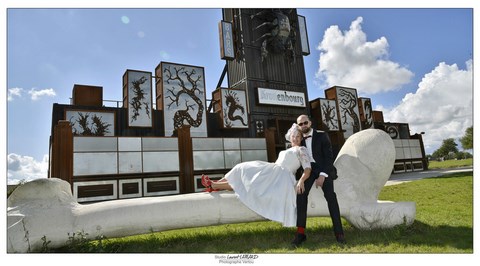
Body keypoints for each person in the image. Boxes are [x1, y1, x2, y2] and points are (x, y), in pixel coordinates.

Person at [201, 123, 312, 227]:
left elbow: (307, 168)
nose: (295, 139)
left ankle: (213, 185)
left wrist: (301, 180)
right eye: (294, 136)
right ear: (290, 136)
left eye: (298, 137)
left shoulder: (301, 150)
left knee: (246, 182)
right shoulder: (287, 149)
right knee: (241, 168)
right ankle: (214, 184)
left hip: (281, 177)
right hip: (272, 170)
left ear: (301, 138)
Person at [291, 114, 346, 246]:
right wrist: (301, 179)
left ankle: (339, 233)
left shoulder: (322, 135)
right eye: (300, 124)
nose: (303, 125)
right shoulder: (299, 140)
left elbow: (328, 157)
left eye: (305, 123)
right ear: (298, 126)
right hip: (308, 171)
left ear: (310, 122)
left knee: (331, 197)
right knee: (300, 193)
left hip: (323, 169)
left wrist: (322, 175)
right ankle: (300, 233)